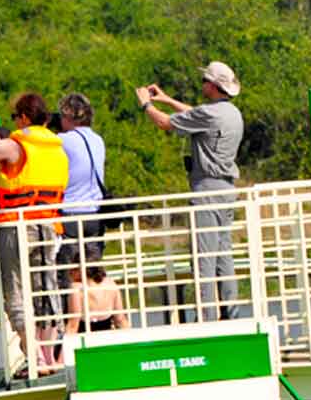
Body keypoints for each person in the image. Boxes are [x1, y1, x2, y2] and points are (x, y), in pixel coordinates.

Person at [0, 92, 68, 374]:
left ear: (23, 118)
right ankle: (49, 356)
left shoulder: (15, 145)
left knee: (16, 291)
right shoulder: (55, 146)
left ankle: (34, 357)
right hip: (48, 227)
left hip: (17, 227)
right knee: (44, 291)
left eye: (15, 119)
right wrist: (1, 149)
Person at [136, 60, 245, 321]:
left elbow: (166, 124)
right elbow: (195, 114)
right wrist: (168, 100)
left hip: (206, 189)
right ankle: (232, 314)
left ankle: (206, 318)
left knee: (203, 258)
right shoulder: (231, 113)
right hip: (227, 190)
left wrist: (147, 104)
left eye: (205, 81)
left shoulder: (210, 114)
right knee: (223, 256)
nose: (203, 84)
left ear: (214, 86)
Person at [55, 93, 108, 293]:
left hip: (71, 213)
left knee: (67, 271)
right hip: (96, 213)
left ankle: (69, 317)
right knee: (93, 271)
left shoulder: (62, 141)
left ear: (68, 117)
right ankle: (99, 314)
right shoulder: (98, 140)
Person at [63, 264, 129, 339]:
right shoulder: (110, 283)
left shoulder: (76, 288)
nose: (69, 272)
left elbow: (73, 325)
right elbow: (121, 320)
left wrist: (63, 347)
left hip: (84, 340)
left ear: (81, 270)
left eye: (73, 268)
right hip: (107, 338)